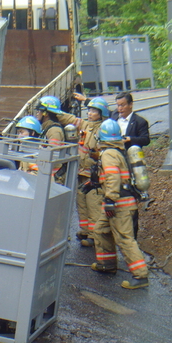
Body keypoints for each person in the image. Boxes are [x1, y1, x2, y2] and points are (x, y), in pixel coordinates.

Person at [90, 118, 149, 289]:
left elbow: (112, 176)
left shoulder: (108, 154)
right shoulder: (117, 151)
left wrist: (110, 200)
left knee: (124, 239)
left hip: (118, 204)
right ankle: (106, 265)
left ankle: (140, 276)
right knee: (100, 230)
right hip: (120, 202)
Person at [58, 96, 109, 247]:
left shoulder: (104, 129)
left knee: (93, 204)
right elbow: (70, 119)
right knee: (81, 202)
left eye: (94, 111)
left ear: (101, 113)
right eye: (89, 110)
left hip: (94, 175)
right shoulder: (85, 125)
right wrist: (54, 111)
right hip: (81, 173)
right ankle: (85, 230)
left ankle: (94, 236)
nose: (90, 113)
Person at [111, 92, 150, 239]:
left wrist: (130, 139)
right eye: (118, 105)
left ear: (130, 105)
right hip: (114, 162)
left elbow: (146, 139)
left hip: (130, 162)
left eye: (122, 105)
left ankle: (132, 234)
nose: (119, 108)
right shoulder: (113, 118)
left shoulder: (140, 122)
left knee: (130, 195)